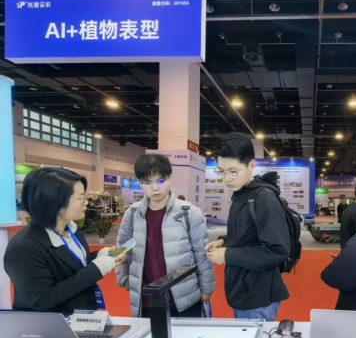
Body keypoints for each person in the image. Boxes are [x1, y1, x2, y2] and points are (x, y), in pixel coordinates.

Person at [4, 168, 125, 314]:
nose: (86, 203)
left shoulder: (71, 230)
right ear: (56, 203)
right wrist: (96, 270)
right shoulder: (23, 248)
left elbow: (72, 266)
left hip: (81, 317)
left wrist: (98, 256)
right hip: (53, 324)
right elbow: (41, 299)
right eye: (80, 198)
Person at [115, 154, 215, 318]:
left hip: (184, 297)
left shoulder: (190, 213)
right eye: (147, 183)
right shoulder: (132, 214)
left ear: (169, 179)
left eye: (160, 181)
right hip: (145, 297)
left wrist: (207, 288)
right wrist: (123, 278)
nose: (155, 188)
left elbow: (201, 253)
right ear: (140, 183)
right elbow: (122, 250)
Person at [205, 133, 290, 321]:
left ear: (251, 165)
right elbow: (247, 233)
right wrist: (223, 241)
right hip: (242, 289)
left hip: (257, 295)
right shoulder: (241, 194)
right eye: (221, 171)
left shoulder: (263, 197)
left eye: (233, 171)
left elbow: (277, 250)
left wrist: (227, 255)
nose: (227, 178)